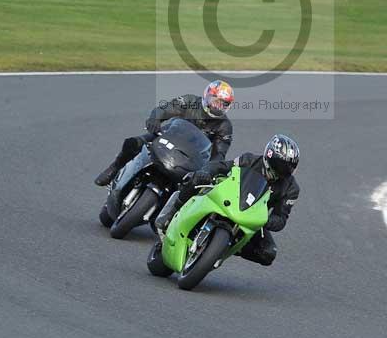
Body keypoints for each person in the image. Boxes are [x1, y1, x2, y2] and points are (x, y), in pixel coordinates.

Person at [152, 134, 300, 267]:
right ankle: (170, 214)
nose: (284, 171)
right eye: (281, 166)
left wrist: (265, 220)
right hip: (226, 197)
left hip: (251, 218)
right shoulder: (249, 160)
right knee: (195, 179)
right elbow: (223, 166)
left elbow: (281, 219)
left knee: (268, 253)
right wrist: (205, 172)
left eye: (289, 167)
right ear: (269, 157)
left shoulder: (292, 189)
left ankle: (225, 248)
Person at [94, 80, 234, 186]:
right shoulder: (190, 101)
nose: (217, 106)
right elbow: (166, 108)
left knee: (197, 186)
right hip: (168, 138)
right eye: (215, 101)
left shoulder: (224, 126)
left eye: (223, 104)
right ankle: (115, 168)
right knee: (132, 143)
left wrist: (206, 171)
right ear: (206, 96)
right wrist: (155, 119)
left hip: (192, 159)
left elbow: (218, 155)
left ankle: (170, 217)